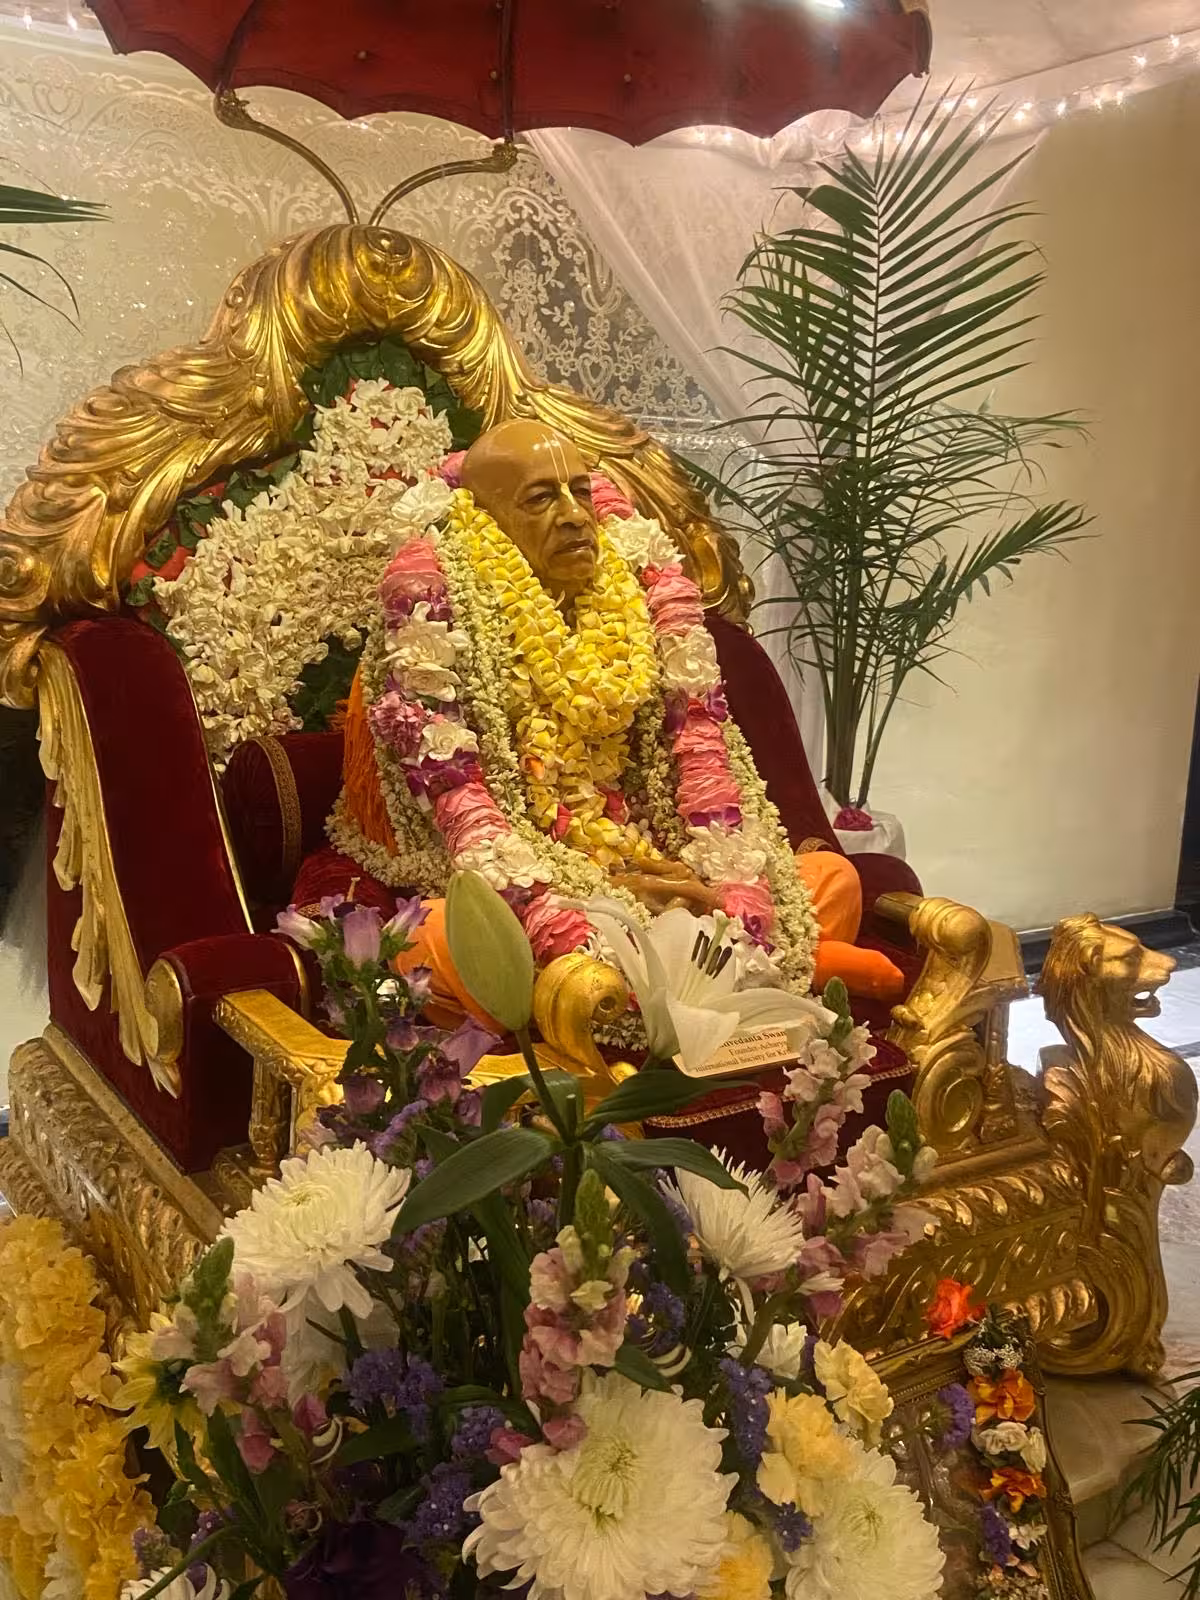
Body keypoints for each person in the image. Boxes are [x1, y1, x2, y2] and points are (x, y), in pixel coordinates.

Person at [322, 418, 903, 1029]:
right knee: (439, 937)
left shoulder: (638, 608)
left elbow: (697, 777)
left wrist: (695, 875)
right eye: (542, 498)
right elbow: (459, 833)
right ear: (482, 519)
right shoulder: (427, 630)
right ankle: (765, 969)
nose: (575, 515)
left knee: (831, 878)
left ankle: (686, 975)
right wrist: (605, 893)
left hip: (650, 860)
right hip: (529, 879)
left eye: (580, 490)